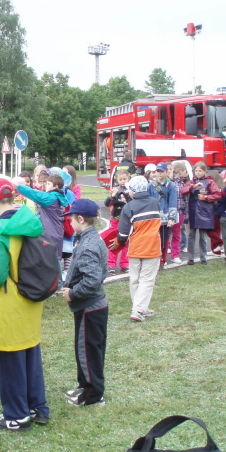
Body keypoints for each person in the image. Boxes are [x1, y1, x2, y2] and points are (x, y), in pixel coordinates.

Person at [0, 178, 49, 431]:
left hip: (9, 304)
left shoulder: (0, 231)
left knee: (9, 361)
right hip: (31, 299)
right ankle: (37, 407)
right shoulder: (31, 222)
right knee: (30, 355)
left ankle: (16, 415)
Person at [61, 199, 109, 407]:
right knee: (84, 348)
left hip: (90, 305)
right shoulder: (87, 238)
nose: (70, 223)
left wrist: (73, 293)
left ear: (81, 219)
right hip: (88, 305)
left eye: (71, 219)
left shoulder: (89, 245)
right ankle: (84, 385)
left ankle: (92, 395)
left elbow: (92, 280)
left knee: (89, 351)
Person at [112, 176, 161, 323]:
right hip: (152, 247)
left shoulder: (128, 207)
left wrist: (117, 242)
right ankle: (139, 309)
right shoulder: (154, 202)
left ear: (133, 191)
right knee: (147, 279)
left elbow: (123, 234)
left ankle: (138, 307)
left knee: (135, 279)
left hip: (135, 248)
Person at [181, 162, 221, 266]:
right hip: (193, 210)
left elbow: (217, 194)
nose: (197, 173)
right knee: (191, 235)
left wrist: (207, 197)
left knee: (203, 235)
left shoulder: (210, 181)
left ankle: (203, 258)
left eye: (200, 171)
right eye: (196, 171)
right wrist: (193, 187)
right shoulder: (192, 182)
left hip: (205, 211)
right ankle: (190, 258)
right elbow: (183, 190)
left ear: (205, 171)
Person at [147, 162, 177, 266]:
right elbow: (147, 199)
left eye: (161, 171)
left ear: (166, 172)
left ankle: (162, 260)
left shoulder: (170, 185)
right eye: (157, 171)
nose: (159, 174)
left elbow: (173, 202)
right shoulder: (151, 185)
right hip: (153, 217)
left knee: (164, 240)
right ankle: (153, 258)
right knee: (152, 239)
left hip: (165, 218)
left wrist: (171, 218)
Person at [104, 170, 132, 274]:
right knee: (113, 240)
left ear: (128, 178)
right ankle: (111, 264)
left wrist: (128, 195)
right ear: (117, 180)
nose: (122, 181)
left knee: (125, 241)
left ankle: (125, 264)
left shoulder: (130, 190)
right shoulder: (114, 190)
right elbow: (106, 203)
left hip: (126, 220)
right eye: (120, 179)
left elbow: (132, 203)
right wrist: (112, 197)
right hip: (115, 218)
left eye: (124, 179)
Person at [170, 161, 189, 263]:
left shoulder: (182, 183)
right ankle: (164, 255)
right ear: (181, 171)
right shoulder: (171, 182)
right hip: (171, 212)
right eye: (185, 171)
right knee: (167, 234)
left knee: (177, 234)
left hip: (180, 211)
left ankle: (175, 254)